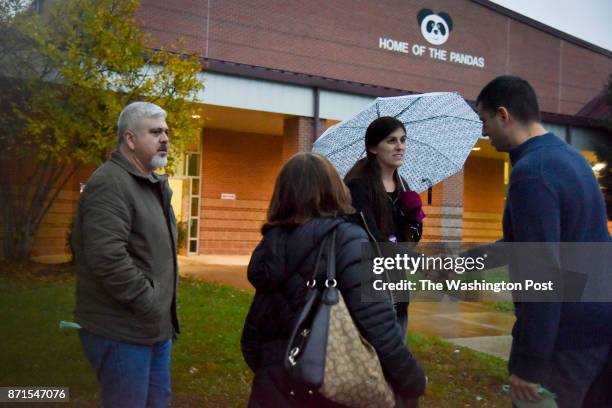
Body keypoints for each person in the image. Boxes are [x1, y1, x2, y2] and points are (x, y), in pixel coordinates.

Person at [241, 152, 426, 407]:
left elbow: (252, 340)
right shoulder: (347, 240)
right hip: (328, 389)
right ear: (333, 189)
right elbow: (377, 323)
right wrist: (412, 379)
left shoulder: (269, 246)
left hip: (273, 390)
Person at [476, 75, 612, 407]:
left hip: (566, 340)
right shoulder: (569, 159)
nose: (484, 132)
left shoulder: (532, 174)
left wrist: (530, 363)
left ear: (504, 115)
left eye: (485, 120)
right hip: (597, 330)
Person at [72, 101, 179, 408]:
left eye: (166, 132)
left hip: (154, 329)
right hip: (122, 332)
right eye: (155, 132)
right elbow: (107, 258)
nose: (165, 139)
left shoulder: (150, 184)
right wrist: (149, 302)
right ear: (130, 139)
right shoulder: (110, 183)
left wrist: (159, 311)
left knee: (157, 402)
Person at [344, 116, 425, 336]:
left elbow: (410, 242)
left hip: (397, 286)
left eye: (403, 139)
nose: (400, 146)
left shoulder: (403, 185)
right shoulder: (357, 186)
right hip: (370, 286)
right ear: (373, 147)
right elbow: (372, 238)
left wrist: (414, 218)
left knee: (396, 352)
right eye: (391, 140)